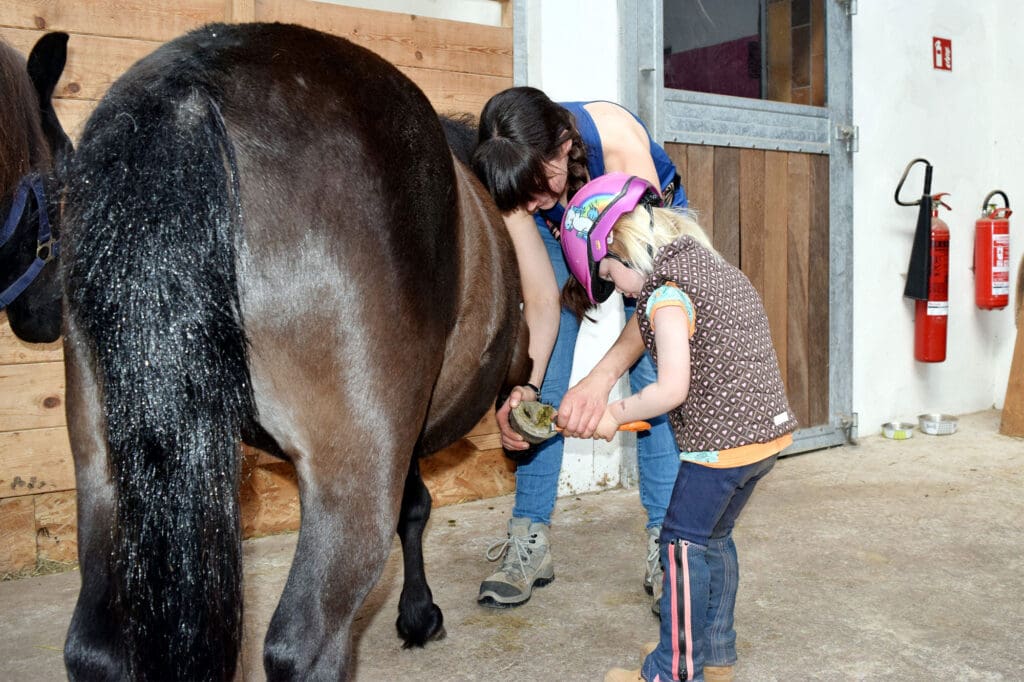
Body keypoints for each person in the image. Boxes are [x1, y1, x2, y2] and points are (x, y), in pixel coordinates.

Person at [555, 173, 798, 682]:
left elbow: (671, 391)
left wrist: (613, 414)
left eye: (609, 276)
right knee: (714, 540)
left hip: (720, 448)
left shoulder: (667, 294)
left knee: (681, 546)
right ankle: (715, 654)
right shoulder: (713, 269)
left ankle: (672, 668)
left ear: (623, 253)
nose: (615, 289)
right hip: (766, 439)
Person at [470, 87, 688, 609]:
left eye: (540, 187)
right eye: (521, 197)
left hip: (642, 224)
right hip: (566, 230)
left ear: (565, 147)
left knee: (656, 374)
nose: (532, 203)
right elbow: (544, 300)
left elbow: (656, 297)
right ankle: (529, 538)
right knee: (540, 386)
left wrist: (598, 381)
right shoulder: (522, 180)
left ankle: (667, 545)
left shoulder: (618, 147)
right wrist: (527, 382)